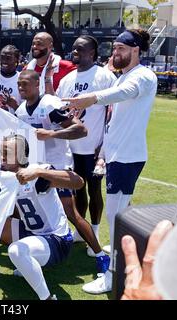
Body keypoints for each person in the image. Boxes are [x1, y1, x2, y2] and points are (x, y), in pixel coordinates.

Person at [62, 29, 158, 294]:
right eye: (114, 48)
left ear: (136, 49)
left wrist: (92, 97)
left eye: (121, 49)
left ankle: (113, 275)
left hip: (127, 157)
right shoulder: (125, 74)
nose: (115, 53)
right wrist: (103, 153)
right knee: (120, 214)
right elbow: (114, 120)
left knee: (116, 219)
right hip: (118, 155)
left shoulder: (143, 76)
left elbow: (124, 93)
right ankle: (124, 259)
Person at [10, 69, 110, 277]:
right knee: (27, 213)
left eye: (25, 84)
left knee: (70, 213)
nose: (21, 87)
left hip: (55, 167)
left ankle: (100, 255)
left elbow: (81, 129)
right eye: (19, 84)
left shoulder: (49, 105)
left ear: (37, 85)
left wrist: (52, 133)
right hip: (34, 170)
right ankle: (32, 255)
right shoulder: (20, 110)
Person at [0, 134, 84, 300]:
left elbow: (78, 182)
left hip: (57, 240)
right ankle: (28, 263)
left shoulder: (38, 173)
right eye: (1, 152)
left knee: (16, 251)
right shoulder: (8, 175)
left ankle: (47, 297)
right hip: (33, 233)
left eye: (6, 152)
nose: (1, 157)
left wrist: (39, 172)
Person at [56, 36, 117, 257]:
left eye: (80, 49)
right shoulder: (67, 79)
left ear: (92, 53)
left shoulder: (104, 76)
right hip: (71, 148)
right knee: (77, 189)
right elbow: (61, 110)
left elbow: (111, 114)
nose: (74, 52)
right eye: (73, 49)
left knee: (94, 190)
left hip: (94, 147)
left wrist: (103, 148)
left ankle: (96, 232)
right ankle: (81, 231)